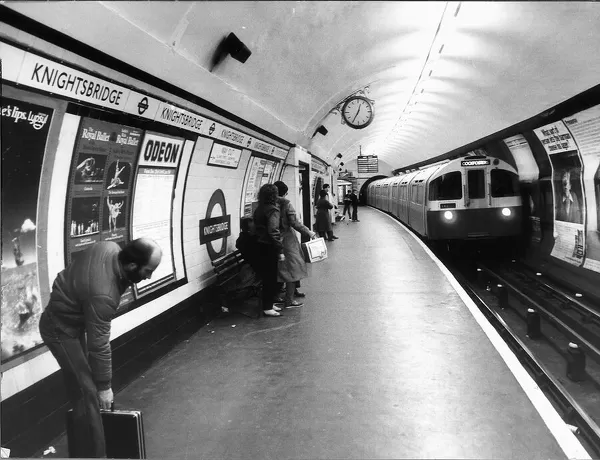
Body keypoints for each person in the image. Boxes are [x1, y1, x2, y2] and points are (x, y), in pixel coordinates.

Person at [38, 239, 162, 458]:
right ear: (132, 265)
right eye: (148, 271)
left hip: (72, 321)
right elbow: (99, 345)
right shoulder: (104, 294)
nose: (148, 277)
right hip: (59, 330)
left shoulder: (110, 247)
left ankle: (82, 449)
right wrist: (105, 386)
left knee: (81, 390)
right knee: (90, 393)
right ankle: (97, 456)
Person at [274, 181, 317, 309]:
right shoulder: (286, 204)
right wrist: (309, 232)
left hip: (274, 241)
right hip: (287, 241)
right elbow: (295, 223)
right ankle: (289, 300)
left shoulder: (268, 204)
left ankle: (282, 295)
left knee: (282, 269)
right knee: (293, 268)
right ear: (285, 193)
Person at [253, 184, 285, 317]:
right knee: (270, 277)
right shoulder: (273, 210)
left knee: (267, 277)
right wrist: (280, 249)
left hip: (259, 245)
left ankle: (269, 303)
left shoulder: (259, 208)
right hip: (269, 246)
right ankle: (267, 307)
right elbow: (273, 231)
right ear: (274, 195)